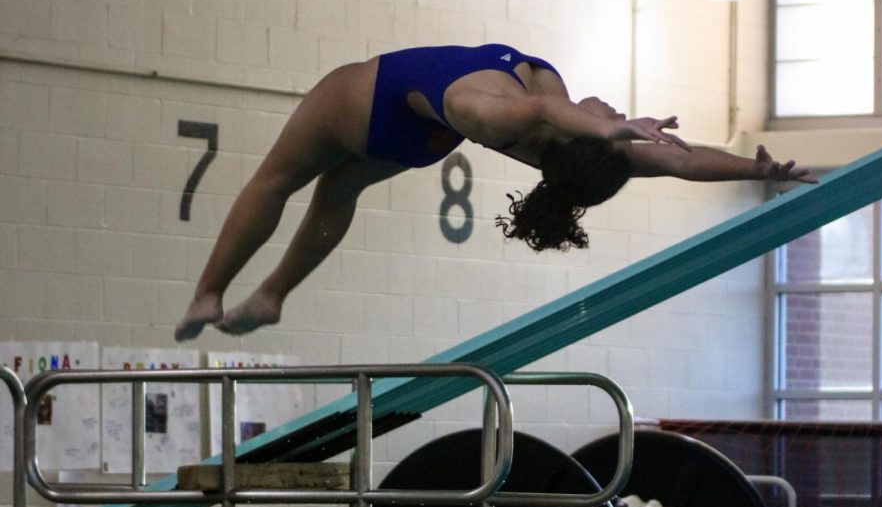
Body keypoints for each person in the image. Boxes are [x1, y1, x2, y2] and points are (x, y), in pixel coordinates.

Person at [174, 43, 815, 341]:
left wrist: (612, 124)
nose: (615, 111)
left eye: (611, 125)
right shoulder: (563, 139)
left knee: (278, 180)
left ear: (587, 136)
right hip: (418, 136)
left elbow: (556, 115)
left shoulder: (512, 115)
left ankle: (208, 295)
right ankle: (273, 295)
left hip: (365, 99)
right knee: (338, 195)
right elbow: (682, 163)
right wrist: (758, 173)